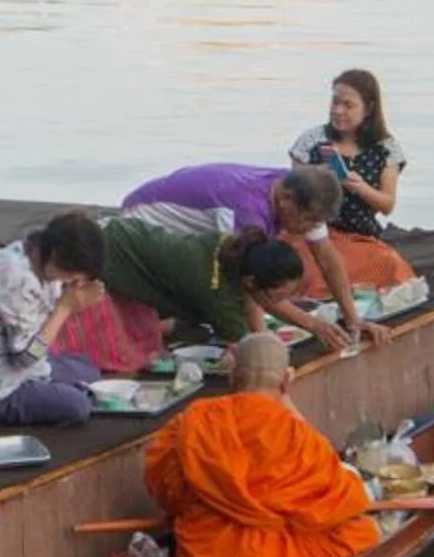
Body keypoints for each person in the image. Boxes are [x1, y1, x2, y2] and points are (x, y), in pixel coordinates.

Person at [141, 330, 378, 557]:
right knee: (364, 532)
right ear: (287, 380)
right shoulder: (296, 435)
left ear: (232, 378)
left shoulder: (190, 423)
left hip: (206, 556)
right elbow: (341, 503)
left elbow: (168, 495)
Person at [120, 163, 362, 338]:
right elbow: (251, 284)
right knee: (222, 296)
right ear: (287, 200)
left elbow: (327, 258)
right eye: (309, 220)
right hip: (142, 223)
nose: (309, 228)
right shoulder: (248, 212)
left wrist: (353, 320)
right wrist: (303, 330)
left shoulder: (291, 187)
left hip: (189, 227)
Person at [0, 212, 110, 428]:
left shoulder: (40, 257)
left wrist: (71, 299)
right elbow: (25, 358)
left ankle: (60, 390)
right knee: (78, 406)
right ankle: (62, 394)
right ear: (57, 255)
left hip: (24, 366)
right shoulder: (15, 278)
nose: (75, 281)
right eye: (74, 275)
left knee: (89, 369)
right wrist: (65, 308)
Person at [96, 216, 332, 354]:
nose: (278, 303)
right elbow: (245, 350)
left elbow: (254, 301)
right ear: (251, 282)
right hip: (107, 256)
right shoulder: (216, 291)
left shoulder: (232, 249)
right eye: (276, 296)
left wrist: (312, 324)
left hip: (128, 232)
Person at [290, 68, 407, 240]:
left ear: (368, 109)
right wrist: (316, 176)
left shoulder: (386, 148)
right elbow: (290, 193)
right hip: (315, 234)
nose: (338, 110)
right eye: (335, 102)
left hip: (362, 235)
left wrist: (362, 188)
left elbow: (387, 206)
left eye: (348, 105)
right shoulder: (311, 141)